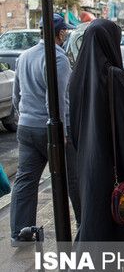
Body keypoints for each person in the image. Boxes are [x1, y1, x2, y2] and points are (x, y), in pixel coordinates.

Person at [68, 19, 124, 272]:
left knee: (93, 218)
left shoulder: (78, 76)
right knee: (112, 222)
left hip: (88, 161)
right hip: (113, 163)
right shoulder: (112, 76)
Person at [10, 13, 79, 247]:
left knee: (25, 181)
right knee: (74, 178)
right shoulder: (58, 59)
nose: (66, 35)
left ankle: (19, 232)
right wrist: (62, 131)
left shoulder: (24, 56)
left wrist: (24, 118)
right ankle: (85, 224)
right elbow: (58, 99)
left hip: (26, 127)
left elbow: (16, 95)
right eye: (65, 32)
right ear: (60, 34)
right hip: (50, 130)